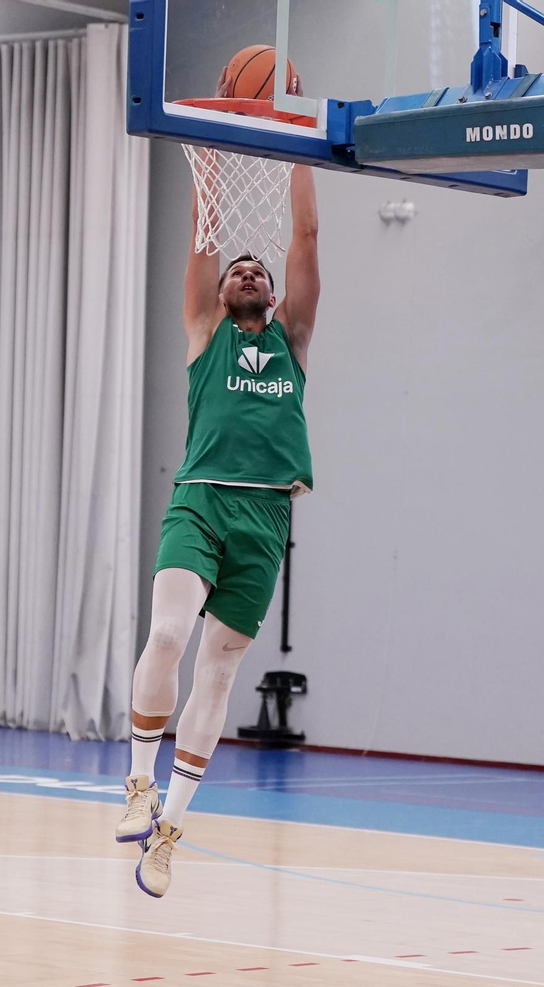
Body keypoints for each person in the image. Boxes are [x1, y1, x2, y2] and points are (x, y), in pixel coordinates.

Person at [116, 165, 321, 898]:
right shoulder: (204, 334)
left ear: (272, 294)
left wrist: (302, 155)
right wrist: (209, 160)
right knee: (169, 634)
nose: (245, 269)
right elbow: (203, 243)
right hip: (200, 498)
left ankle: (168, 830)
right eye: (235, 266)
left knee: (219, 670)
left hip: (265, 516)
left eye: (257, 269)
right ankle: (137, 779)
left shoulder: (293, 341)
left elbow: (304, 235)